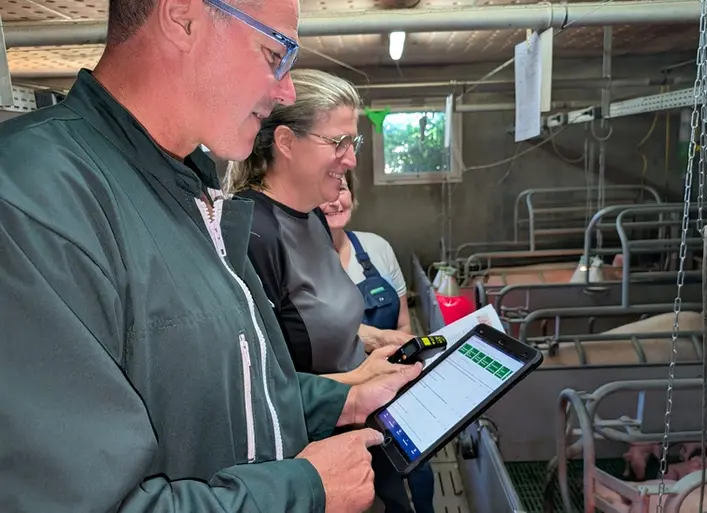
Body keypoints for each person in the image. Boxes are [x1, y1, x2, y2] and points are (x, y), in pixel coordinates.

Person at [0, 0, 422, 511]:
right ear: (183, 18)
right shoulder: (31, 196)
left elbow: (227, 396)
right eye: (274, 54)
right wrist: (305, 489)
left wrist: (344, 400)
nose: (286, 91)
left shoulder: (186, 187)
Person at [224, 68, 416, 513]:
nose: (351, 160)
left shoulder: (311, 217)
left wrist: (379, 339)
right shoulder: (253, 233)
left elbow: (310, 318)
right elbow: (255, 387)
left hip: (361, 422)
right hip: (314, 451)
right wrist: (357, 381)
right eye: (339, 142)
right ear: (286, 142)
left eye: (354, 142)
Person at [321, 170, 437, 513]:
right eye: (324, 189)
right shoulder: (301, 267)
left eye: (342, 188)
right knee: (380, 491)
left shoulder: (377, 248)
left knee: (420, 475)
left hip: (396, 393)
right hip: (342, 402)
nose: (334, 199)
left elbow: (403, 324)